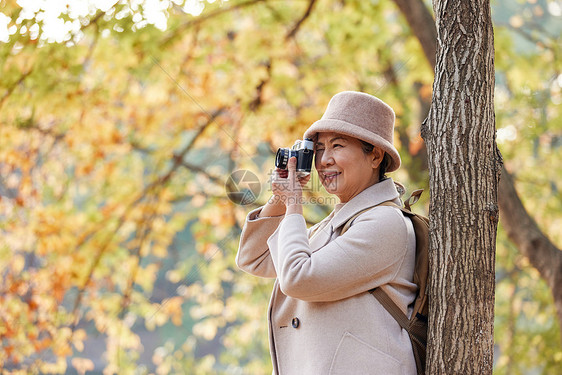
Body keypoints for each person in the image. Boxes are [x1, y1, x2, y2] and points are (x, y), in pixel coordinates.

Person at [236, 91, 417, 375]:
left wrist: (295, 203)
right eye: (319, 148)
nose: (324, 160)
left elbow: (298, 278)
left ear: (375, 156)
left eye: (338, 146)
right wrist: (282, 199)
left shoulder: (385, 223)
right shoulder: (334, 226)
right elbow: (254, 258)